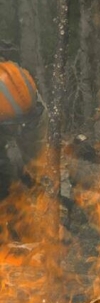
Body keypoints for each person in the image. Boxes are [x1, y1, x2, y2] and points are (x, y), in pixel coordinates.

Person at [0, 61, 44, 200]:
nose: (19, 130)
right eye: (12, 125)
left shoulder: (27, 98)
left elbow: (36, 144)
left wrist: (34, 179)